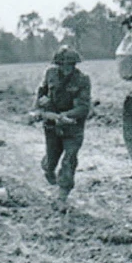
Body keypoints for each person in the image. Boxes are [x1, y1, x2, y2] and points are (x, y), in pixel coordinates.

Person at [33, 46, 91, 205]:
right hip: (51, 126)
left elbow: (83, 107)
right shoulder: (50, 74)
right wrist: (37, 109)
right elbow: (41, 93)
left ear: (74, 65)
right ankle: (48, 167)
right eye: (62, 64)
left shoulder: (82, 80)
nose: (66, 68)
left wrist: (65, 116)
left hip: (73, 126)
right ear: (57, 64)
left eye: (70, 65)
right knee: (51, 159)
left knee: (69, 159)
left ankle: (62, 196)